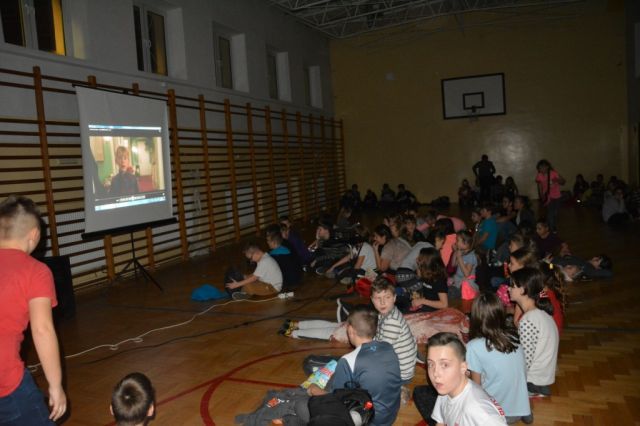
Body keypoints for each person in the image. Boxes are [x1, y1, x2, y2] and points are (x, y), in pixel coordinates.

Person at [0, 195, 67, 424]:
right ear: (35, 235)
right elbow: (42, 330)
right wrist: (56, 386)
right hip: (6, 384)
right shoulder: (35, 271)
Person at [307, 306, 402, 426]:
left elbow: (335, 401)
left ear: (350, 330)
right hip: (390, 415)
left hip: (368, 420)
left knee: (305, 404)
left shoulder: (348, 361)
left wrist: (314, 389)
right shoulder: (388, 347)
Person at [466, 293, 532, 424]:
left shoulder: (474, 346)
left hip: (497, 414)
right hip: (521, 407)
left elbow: (476, 387)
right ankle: (523, 411)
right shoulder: (514, 336)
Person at [427, 332, 507, 425]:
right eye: (431, 364)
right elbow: (440, 422)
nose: (435, 373)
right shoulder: (446, 388)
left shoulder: (479, 412)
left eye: (445, 365)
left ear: (463, 367)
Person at [508, 267, 560, 397]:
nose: (509, 289)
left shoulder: (528, 320)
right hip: (542, 379)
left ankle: (530, 391)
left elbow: (525, 360)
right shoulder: (542, 313)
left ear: (522, 290)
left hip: (533, 380)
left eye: (512, 286)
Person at [369, 277, 418, 383]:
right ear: (372, 300)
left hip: (400, 374)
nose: (382, 302)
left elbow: (383, 351)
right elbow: (379, 338)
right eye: (378, 298)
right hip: (397, 364)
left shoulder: (392, 321)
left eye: (387, 297)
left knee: (367, 376)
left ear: (394, 298)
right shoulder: (385, 313)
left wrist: (369, 351)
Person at [396, 247, 448, 314]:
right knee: (398, 300)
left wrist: (422, 301)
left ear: (427, 262)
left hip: (433, 309)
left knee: (404, 311)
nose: (417, 259)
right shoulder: (426, 273)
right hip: (424, 304)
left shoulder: (439, 280)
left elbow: (444, 305)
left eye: (420, 258)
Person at [265, 225, 302, 290]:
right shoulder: (286, 248)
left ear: (274, 242)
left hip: (288, 282)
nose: (267, 242)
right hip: (297, 277)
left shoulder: (274, 255)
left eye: (268, 240)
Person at [535, 159, 565, 232]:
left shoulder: (553, 173)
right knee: (550, 212)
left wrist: (557, 180)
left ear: (547, 167)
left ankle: (550, 224)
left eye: (542, 167)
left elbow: (563, 182)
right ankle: (552, 228)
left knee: (555, 213)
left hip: (557, 196)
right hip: (548, 197)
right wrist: (541, 195)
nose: (541, 169)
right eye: (539, 168)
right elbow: (539, 186)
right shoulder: (539, 175)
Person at [451, 230, 478, 300]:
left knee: (451, 293)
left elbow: (467, 274)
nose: (456, 242)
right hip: (458, 280)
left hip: (466, 284)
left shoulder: (471, 256)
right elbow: (453, 264)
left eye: (457, 240)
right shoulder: (462, 252)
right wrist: (455, 252)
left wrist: (459, 257)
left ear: (465, 243)